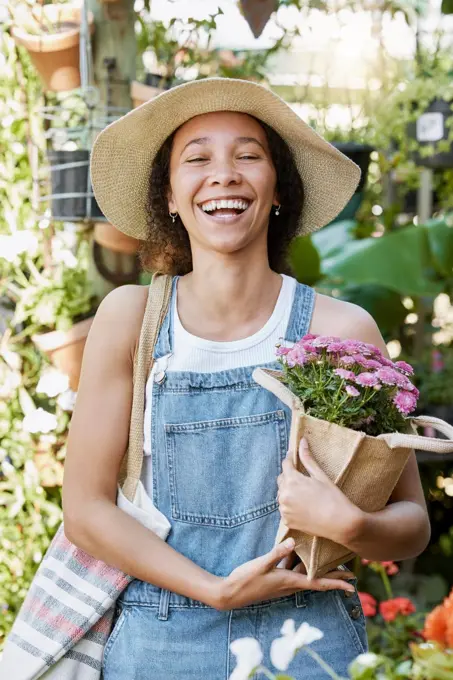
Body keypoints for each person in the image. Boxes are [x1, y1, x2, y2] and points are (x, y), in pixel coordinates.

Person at [63, 78, 430, 679]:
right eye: (198, 158)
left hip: (310, 639)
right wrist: (214, 590)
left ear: (279, 188)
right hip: (161, 644)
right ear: (171, 197)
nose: (224, 175)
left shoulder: (343, 330)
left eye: (249, 156)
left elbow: (412, 524)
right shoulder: (131, 320)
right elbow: (85, 509)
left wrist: (353, 525)